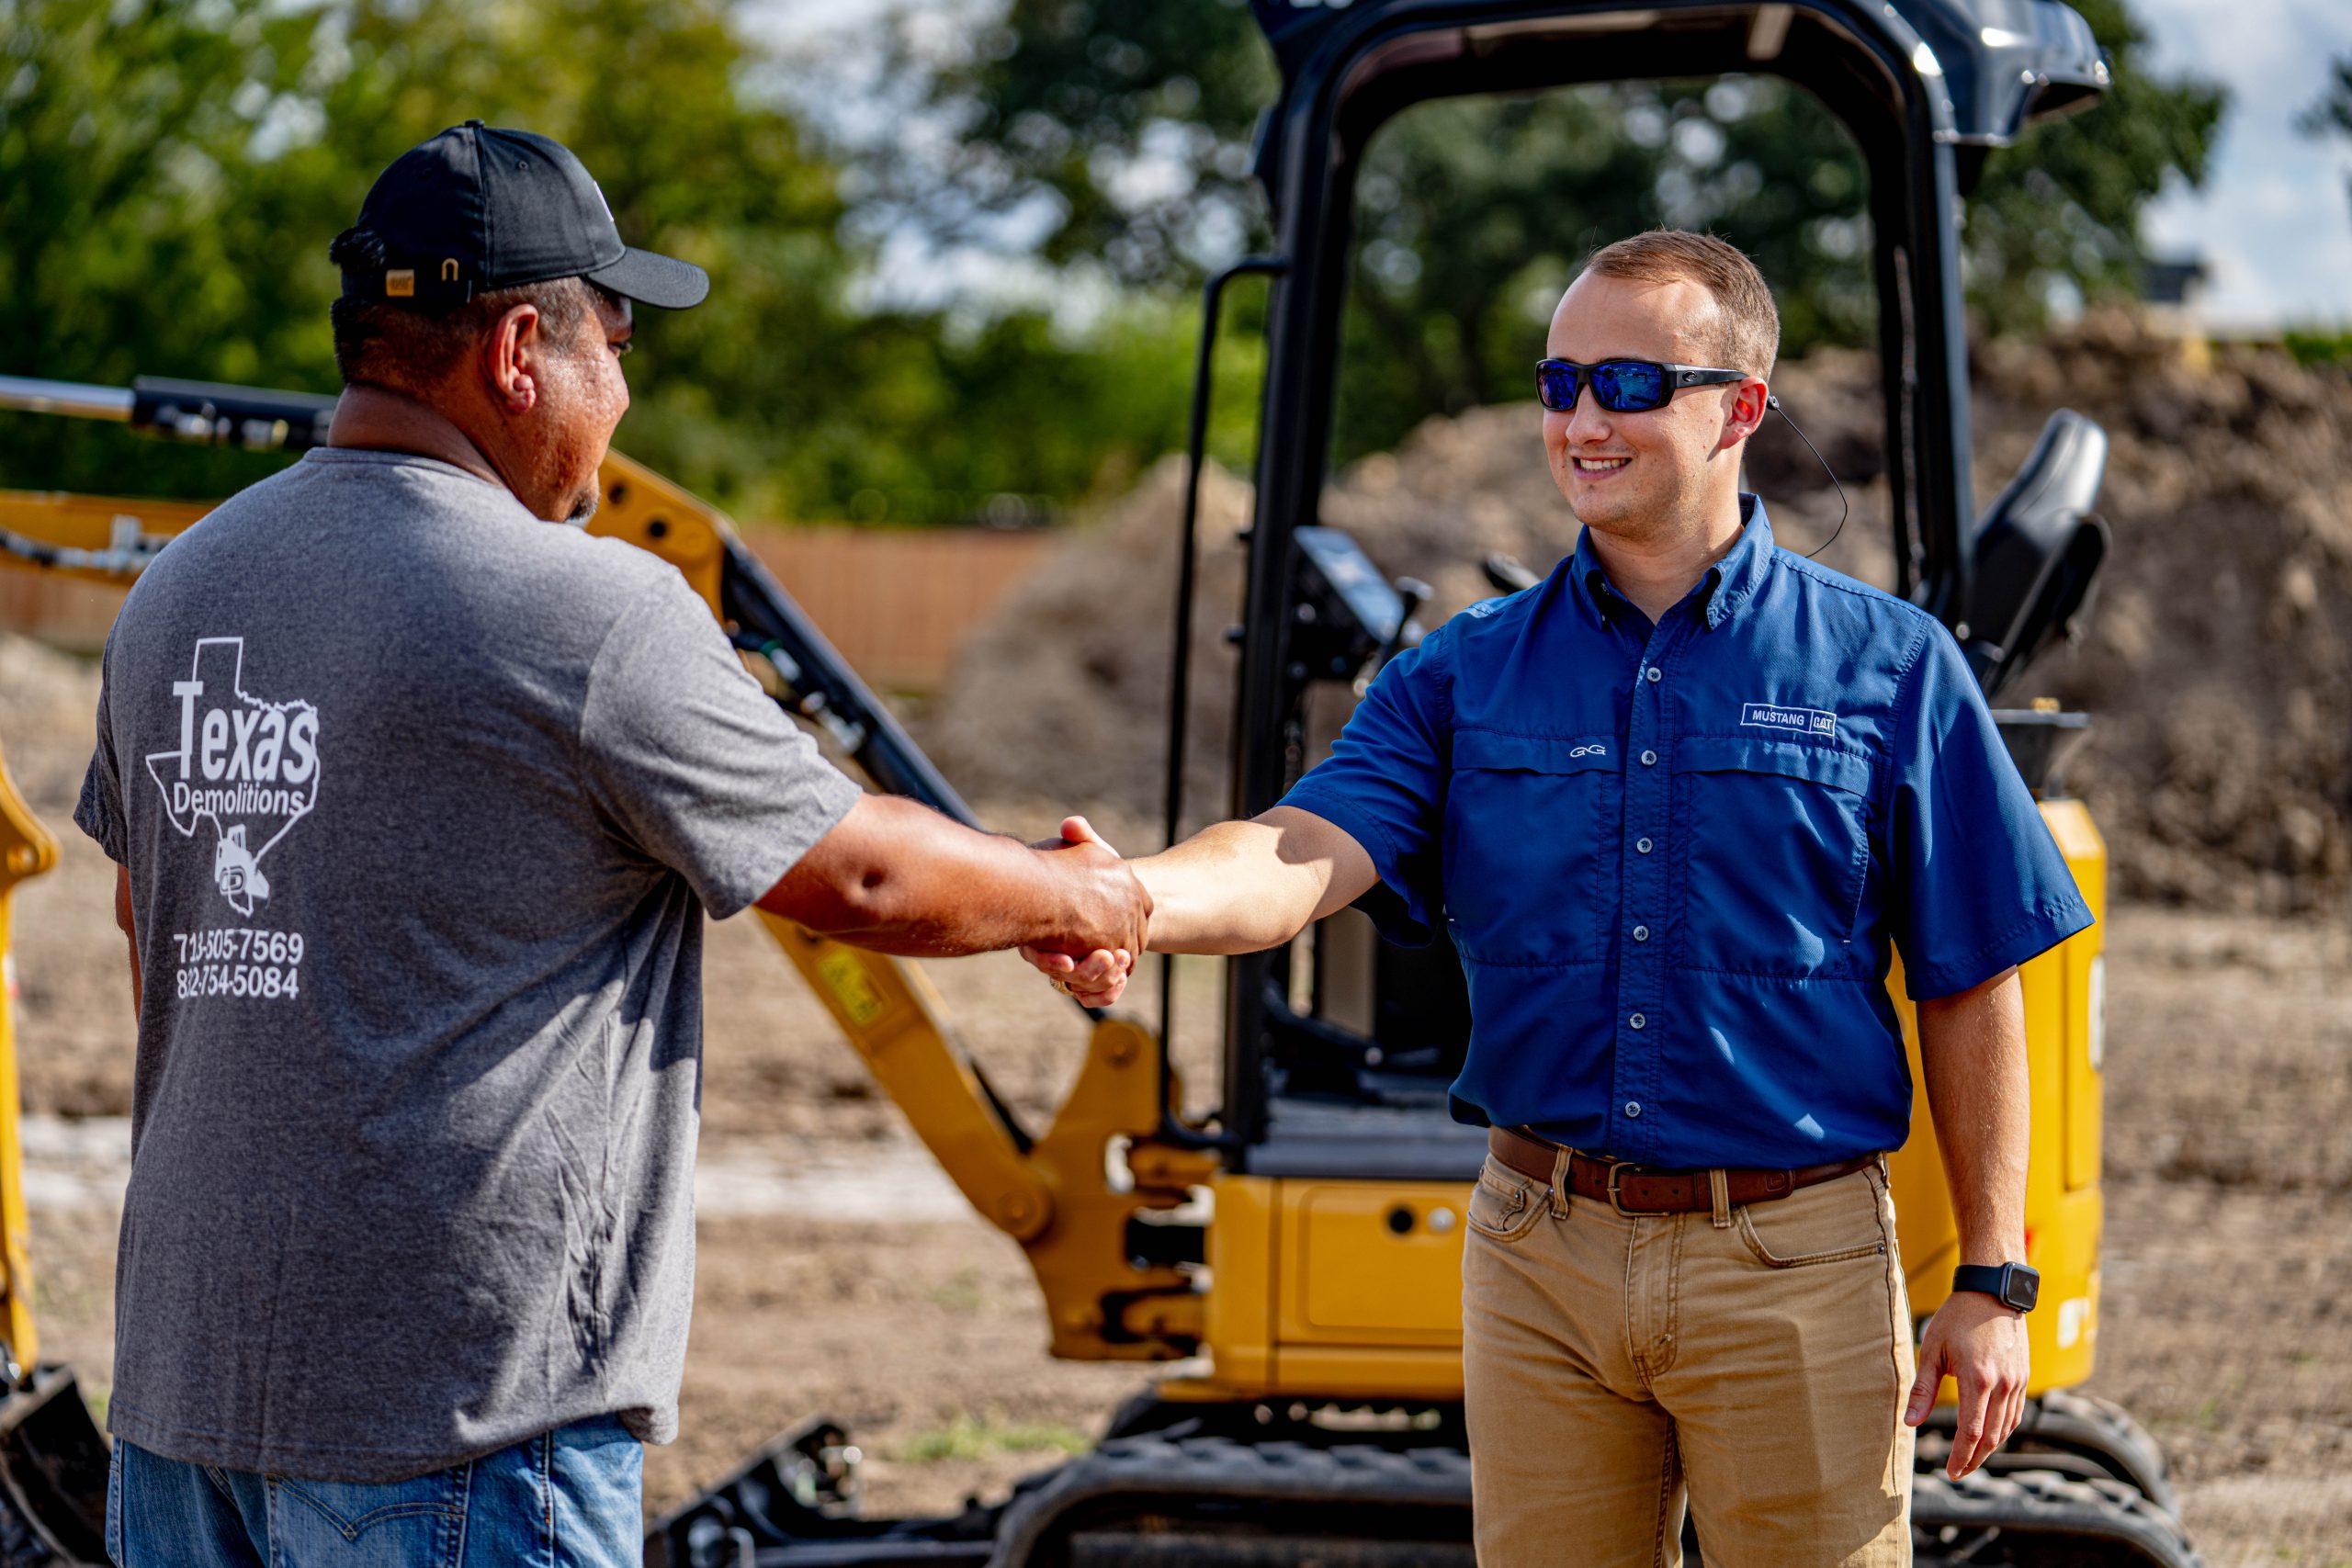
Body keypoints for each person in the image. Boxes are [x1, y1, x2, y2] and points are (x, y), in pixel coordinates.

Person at [77, 121, 1144, 1568]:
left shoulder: (175, 595)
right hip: (463, 1417)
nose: (625, 397)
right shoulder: (585, 612)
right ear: (522, 349)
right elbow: (861, 873)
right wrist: (1072, 890)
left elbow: (156, 932)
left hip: (181, 1402)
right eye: (617, 346)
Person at [1029, 230, 2088, 1566]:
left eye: (1631, 386)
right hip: (1538, 1255)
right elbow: (1295, 852)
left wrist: (1992, 1277)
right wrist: (1128, 898)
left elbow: (1974, 974)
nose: (1584, 420)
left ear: (1739, 409)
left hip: (1794, 1260)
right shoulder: (1460, 674)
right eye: (1560, 382)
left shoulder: (1892, 669)